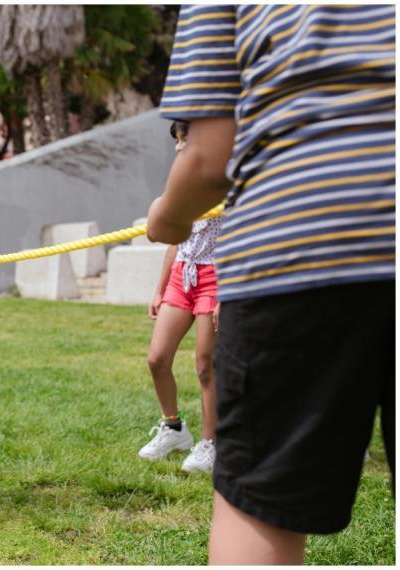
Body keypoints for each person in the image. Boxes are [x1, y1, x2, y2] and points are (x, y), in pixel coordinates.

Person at [147, 5, 394, 565]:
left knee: (258, 512)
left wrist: (167, 217)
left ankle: (204, 440)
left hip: (302, 245)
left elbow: (212, 155)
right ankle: (179, 430)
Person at [138, 121, 223, 473]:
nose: (178, 146)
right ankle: (174, 428)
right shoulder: (183, 182)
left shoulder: (227, 182)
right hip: (182, 275)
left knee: (206, 365)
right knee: (157, 358)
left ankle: (211, 444)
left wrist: (227, 292)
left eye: (184, 139)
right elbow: (175, 237)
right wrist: (160, 288)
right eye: (176, 140)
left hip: (217, 276)